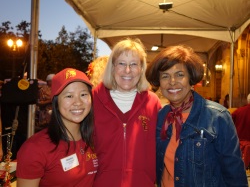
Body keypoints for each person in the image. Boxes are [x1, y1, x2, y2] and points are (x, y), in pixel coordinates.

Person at [146, 45, 248, 187]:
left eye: (180, 74)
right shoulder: (161, 117)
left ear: (191, 78)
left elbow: (235, 174)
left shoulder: (217, 117)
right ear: (159, 83)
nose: (172, 82)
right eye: (165, 76)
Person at [92, 38, 162, 187]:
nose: (127, 70)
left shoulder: (153, 103)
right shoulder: (93, 100)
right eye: (121, 63)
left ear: (142, 68)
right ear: (112, 67)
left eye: (134, 64)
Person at [16, 68, 98, 187]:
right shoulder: (34, 148)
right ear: (56, 102)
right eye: (69, 96)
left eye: (83, 94)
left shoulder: (96, 139)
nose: (78, 102)